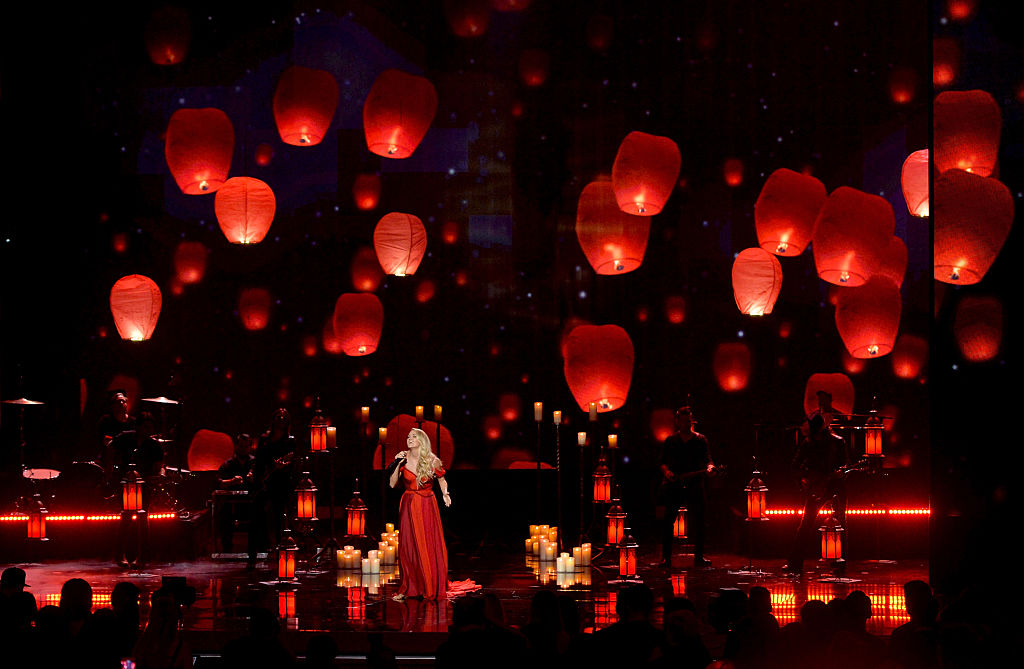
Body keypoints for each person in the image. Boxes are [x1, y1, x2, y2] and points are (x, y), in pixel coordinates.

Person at [782, 405, 851, 574]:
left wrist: (841, 473)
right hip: (816, 488)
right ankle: (795, 563)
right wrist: (804, 482)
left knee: (840, 525)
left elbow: (846, 467)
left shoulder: (838, 442)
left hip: (835, 488)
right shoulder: (808, 443)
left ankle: (839, 563)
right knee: (805, 525)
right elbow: (794, 467)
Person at [389, 428, 451, 600]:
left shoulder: (432, 460)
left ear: (422, 440)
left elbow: (441, 479)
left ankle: (430, 583)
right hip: (409, 505)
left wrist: (445, 494)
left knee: (427, 542)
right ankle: (409, 586)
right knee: (409, 545)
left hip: (427, 504)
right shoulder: (403, 459)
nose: (409, 439)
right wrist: (397, 465)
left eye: (413, 436)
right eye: (408, 436)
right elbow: (392, 484)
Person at [657, 405, 718, 568]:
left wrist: (711, 468)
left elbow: (708, 460)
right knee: (669, 521)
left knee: (699, 520)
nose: (686, 424)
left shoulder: (701, 440)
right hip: (674, 484)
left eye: (688, 421)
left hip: (695, 484)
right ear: (678, 422)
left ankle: (699, 557)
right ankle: (666, 558)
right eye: (683, 421)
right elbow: (662, 463)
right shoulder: (671, 440)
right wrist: (667, 472)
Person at [248, 409, 297, 569]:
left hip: (280, 483)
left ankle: (279, 556)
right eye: (278, 416)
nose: (281, 419)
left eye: (284, 417)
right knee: (255, 519)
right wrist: (256, 476)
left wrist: (283, 466)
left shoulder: (289, 441)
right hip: (262, 482)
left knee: (278, 520)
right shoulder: (264, 439)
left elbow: (293, 462)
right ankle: (252, 557)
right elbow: (259, 460)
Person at [216, 433, 255, 553]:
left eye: (246, 446)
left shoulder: (255, 463)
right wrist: (232, 481)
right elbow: (219, 483)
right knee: (224, 515)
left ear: (250, 447)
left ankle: (256, 549)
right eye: (241, 446)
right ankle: (227, 549)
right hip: (231, 504)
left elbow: (266, 480)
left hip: (251, 503)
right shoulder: (228, 464)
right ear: (236, 446)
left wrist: (254, 478)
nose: (243, 449)